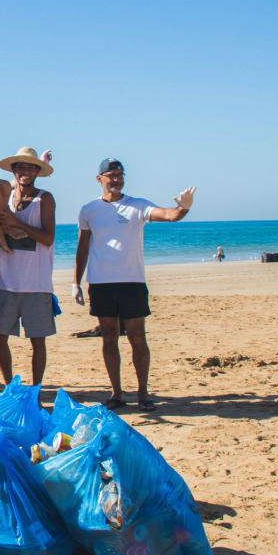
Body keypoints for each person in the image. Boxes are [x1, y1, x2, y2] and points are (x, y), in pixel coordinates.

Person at [73, 158, 196, 412]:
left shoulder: (137, 206)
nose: (117, 179)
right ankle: (116, 393)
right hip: (101, 283)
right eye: (111, 175)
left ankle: (143, 393)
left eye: (120, 174)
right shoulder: (89, 210)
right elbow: (82, 247)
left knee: (137, 338)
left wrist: (183, 208)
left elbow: (169, 215)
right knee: (108, 337)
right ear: (100, 179)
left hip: (132, 282)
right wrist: (75, 282)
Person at [0, 148, 57, 386]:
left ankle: (36, 388)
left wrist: (16, 223)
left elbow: (47, 238)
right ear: (13, 170)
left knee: (38, 340)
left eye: (31, 167)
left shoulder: (44, 198)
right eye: (21, 167)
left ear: (37, 171)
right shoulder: (3, 200)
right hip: (7, 282)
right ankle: (9, 387)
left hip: (37, 284)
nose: (26, 171)